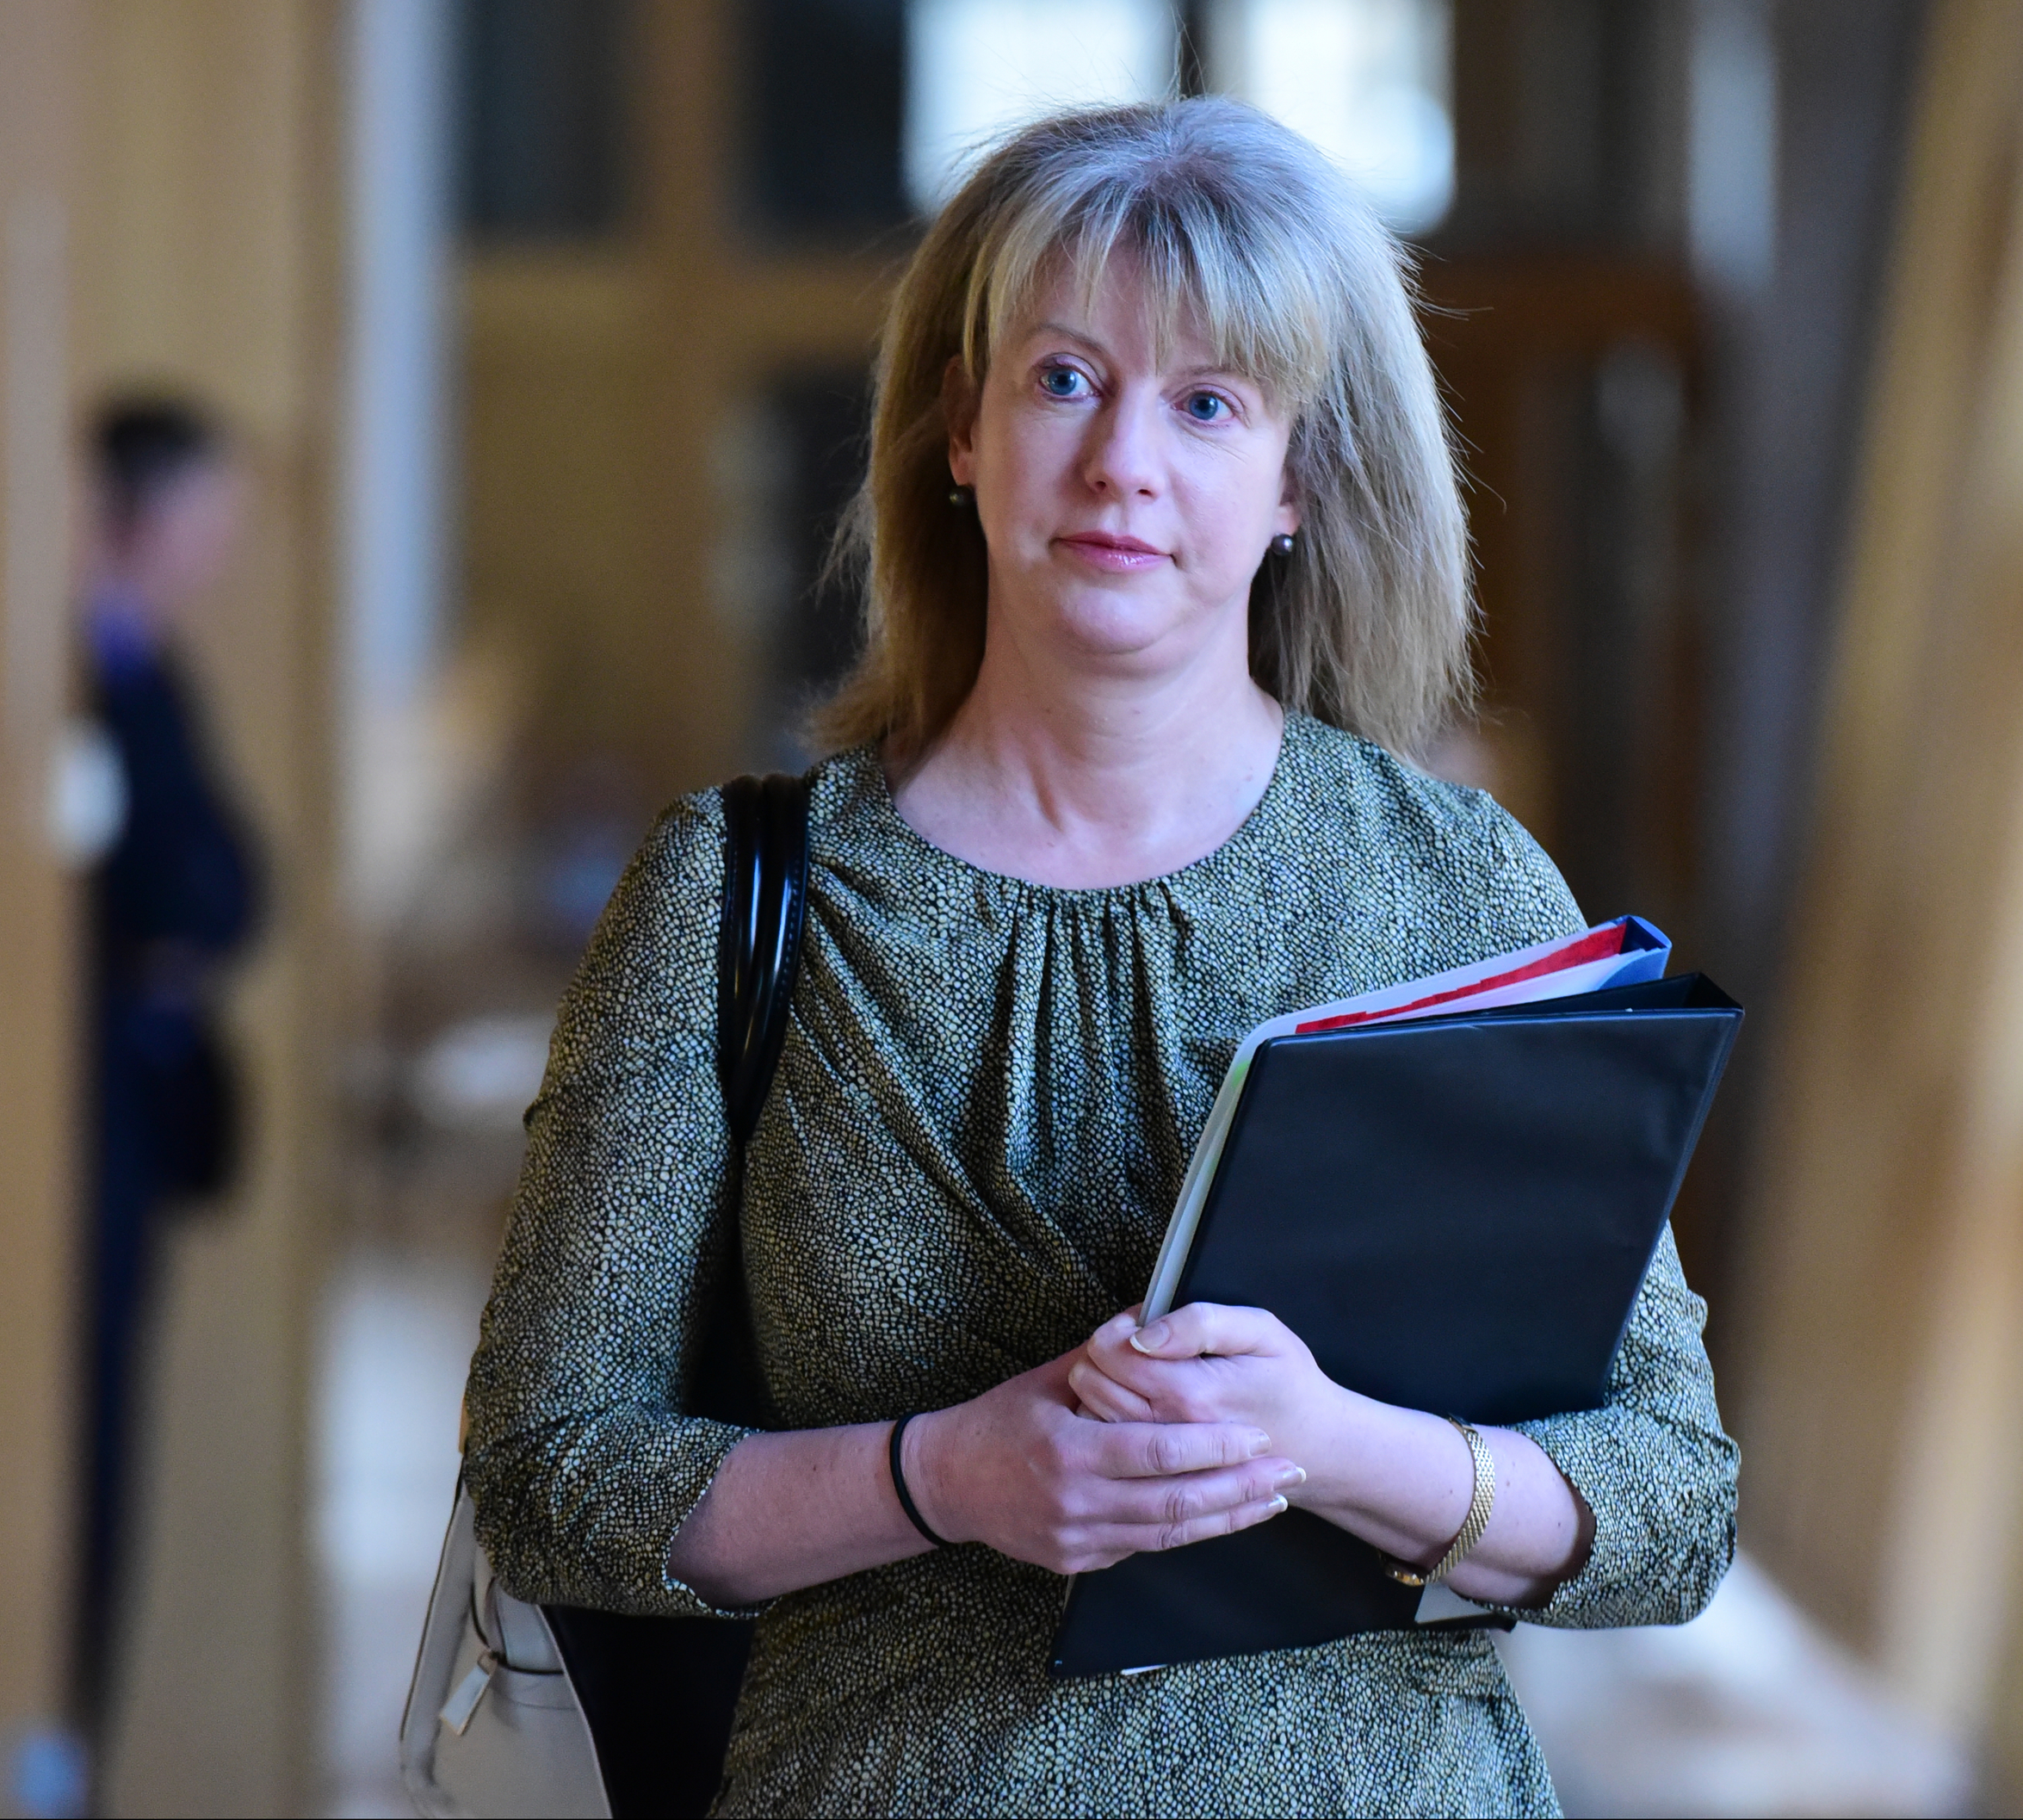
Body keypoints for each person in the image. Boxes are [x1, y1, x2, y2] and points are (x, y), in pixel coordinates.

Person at [462, 99, 1740, 1817]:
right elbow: (547, 1476)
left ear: (1296, 480)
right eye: (1065, 379)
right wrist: (948, 1477)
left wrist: (1332, 1445)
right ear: (961, 429)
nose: (1124, 461)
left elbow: (1669, 1505)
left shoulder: (1455, 889)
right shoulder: (735, 895)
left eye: (1209, 403)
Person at [74, 396, 262, 1729]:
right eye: (212, 515)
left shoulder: (148, 669)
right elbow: (153, 891)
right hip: (68, 1144)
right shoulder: (76, 675)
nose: (224, 545)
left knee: (105, 1480)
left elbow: (231, 890)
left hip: (132, 1137)